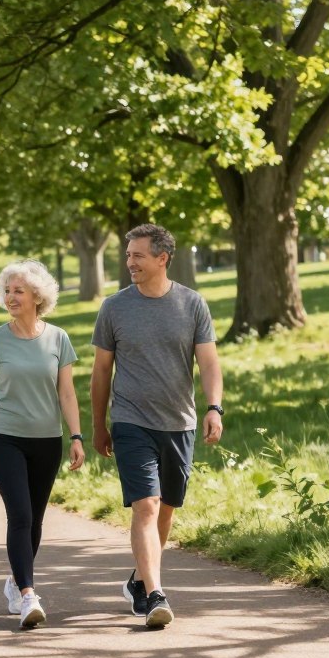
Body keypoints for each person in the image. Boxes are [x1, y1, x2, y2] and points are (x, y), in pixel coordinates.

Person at [90, 224, 223, 629]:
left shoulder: (192, 304)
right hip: (131, 420)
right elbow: (100, 372)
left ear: (162, 258)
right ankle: (156, 594)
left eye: (137, 256)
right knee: (145, 506)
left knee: (166, 509)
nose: (130, 262)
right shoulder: (114, 307)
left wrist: (214, 408)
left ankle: (139, 582)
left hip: (178, 423)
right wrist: (98, 424)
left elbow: (209, 362)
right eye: (128, 255)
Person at [0, 260, 84, 629]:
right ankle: (27, 595)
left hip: (47, 441)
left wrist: (76, 436)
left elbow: (66, 393)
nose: (10, 297)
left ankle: (16, 580)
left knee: (34, 519)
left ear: (38, 296)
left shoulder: (58, 339)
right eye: (7, 290)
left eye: (18, 291)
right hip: (5, 438)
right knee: (19, 515)